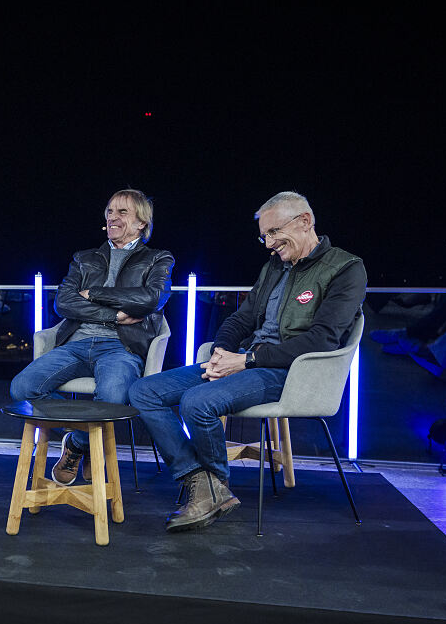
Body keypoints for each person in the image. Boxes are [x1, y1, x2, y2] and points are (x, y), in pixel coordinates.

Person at [129, 191, 366, 533]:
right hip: (249, 361)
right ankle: (204, 483)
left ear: (305, 222)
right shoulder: (275, 267)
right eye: (264, 235)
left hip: (290, 372)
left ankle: (212, 487)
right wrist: (222, 353)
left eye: (273, 232)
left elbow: (322, 340)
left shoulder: (346, 269)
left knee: (197, 402)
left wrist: (247, 360)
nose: (268, 244)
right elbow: (242, 319)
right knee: (144, 391)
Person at [9, 189, 174, 486]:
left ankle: (76, 446)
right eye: (110, 211)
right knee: (22, 388)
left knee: (113, 398)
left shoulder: (157, 258)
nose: (112, 217)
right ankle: (82, 437)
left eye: (122, 212)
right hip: (75, 344)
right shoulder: (84, 258)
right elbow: (64, 303)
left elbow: (150, 298)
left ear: (141, 223)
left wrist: (95, 293)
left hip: (121, 347)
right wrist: (113, 314)